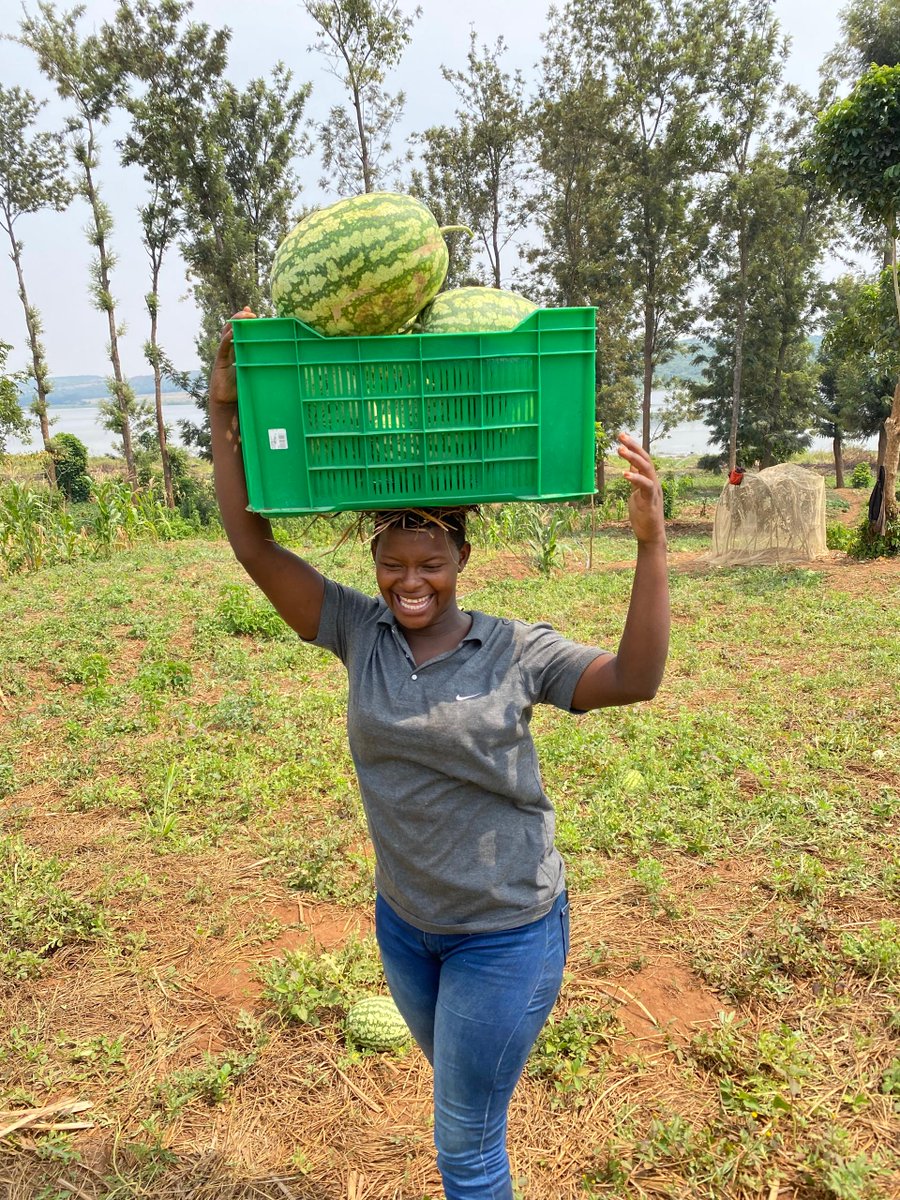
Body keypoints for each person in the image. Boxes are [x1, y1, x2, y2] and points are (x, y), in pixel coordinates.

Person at [209, 308, 670, 1200]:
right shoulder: (355, 631)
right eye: (393, 563)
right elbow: (251, 541)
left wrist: (651, 546)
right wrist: (226, 410)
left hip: (506, 931)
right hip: (406, 926)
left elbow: (636, 678)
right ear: (375, 562)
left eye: (431, 562)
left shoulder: (515, 650)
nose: (410, 581)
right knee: (462, 1104)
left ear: (462, 554)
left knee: (463, 1147)